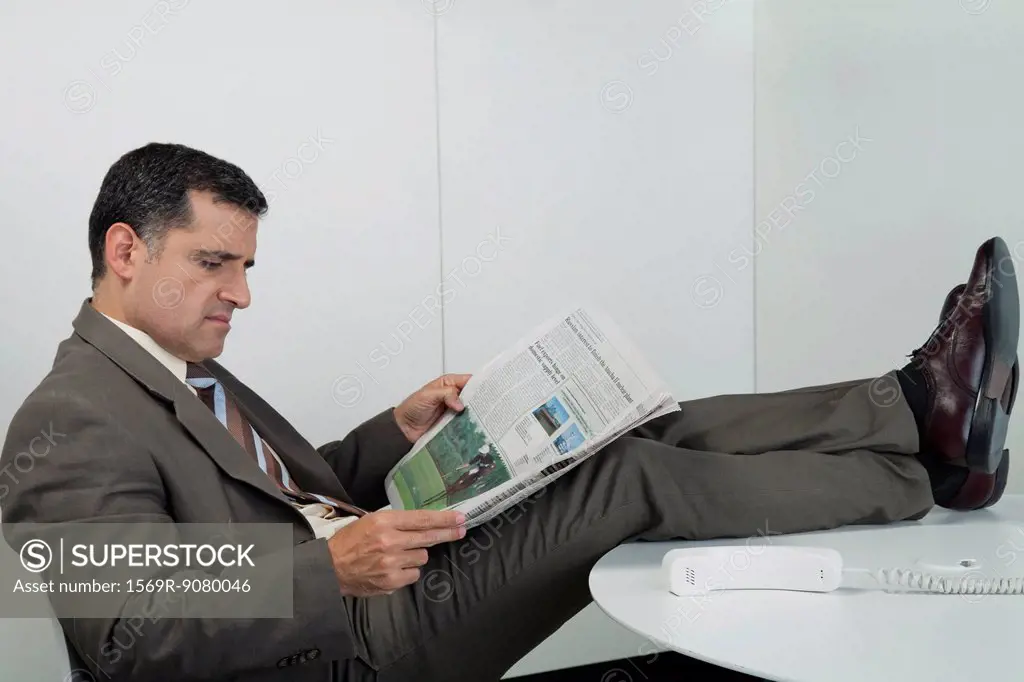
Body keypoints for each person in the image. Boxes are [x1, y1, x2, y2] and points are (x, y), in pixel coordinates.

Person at [0, 142, 1018, 682]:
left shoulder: (184, 373)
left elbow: (280, 500)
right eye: (214, 264)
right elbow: (122, 632)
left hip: (378, 582)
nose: (242, 295)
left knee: (630, 430)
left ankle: (907, 406)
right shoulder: (71, 415)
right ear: (126, 250)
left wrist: (385, 436)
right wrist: (329, 571)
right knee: (628, 481)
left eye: (248, 266)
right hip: (350, 648)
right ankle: (926, 468)